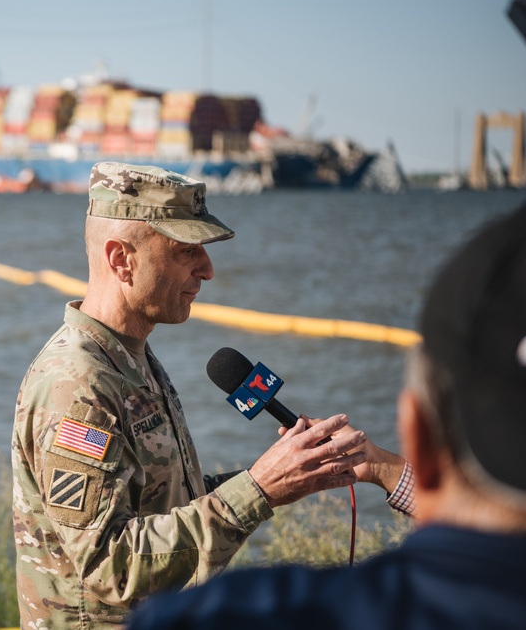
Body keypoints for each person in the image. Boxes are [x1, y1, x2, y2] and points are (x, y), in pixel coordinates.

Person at [10, 162, 411, 630]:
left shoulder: (129, 357)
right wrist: (257, 489)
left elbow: (160, 503)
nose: (208, 269)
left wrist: (283, 476)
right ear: (121, 259)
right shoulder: (77, 383)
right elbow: (110, 567)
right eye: (186, 251)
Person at [125, 202, 526, 629]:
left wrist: (259, 489)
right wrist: (378, 469)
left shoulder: (235, 614)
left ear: (418, 433)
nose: (207, 270)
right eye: (188, 251)